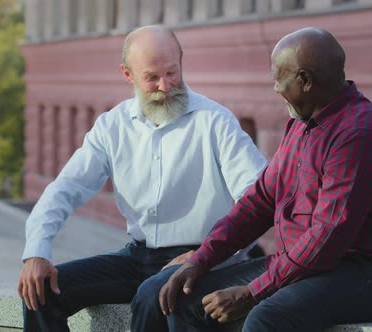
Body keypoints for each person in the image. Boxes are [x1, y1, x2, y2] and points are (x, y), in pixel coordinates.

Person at [158, 27, 372, 332]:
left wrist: (253, 291)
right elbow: (261, 201)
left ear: (305, 81)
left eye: (280, 78)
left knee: (268, 316)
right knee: (184, 298)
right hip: (307, 265)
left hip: (369, 276)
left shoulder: (358, 134)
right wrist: (202, 258)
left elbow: (327, 237)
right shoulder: (302, 123)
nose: (276, 88)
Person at [17, 25, 267, 332]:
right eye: (151, 77)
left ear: (181, 60)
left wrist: (208, 254)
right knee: (41, 293)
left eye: (172, 73)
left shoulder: (216, 121)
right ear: (127, 74)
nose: (165, 86)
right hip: (137, 258)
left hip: (203, 258)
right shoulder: (111, 126)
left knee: (154, 297)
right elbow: (66, 188)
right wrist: (36, 252)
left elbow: (259, 197)